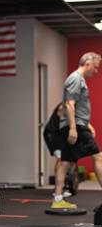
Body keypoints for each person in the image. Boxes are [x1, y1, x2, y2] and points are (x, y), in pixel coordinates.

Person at [52, 52, 102, 210]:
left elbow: (76, 106)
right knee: (98, 157)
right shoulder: (76, 78)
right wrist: (74, 128)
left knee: (65, 161)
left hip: (77, 124)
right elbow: (69, 104)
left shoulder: (77, 79)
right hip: (75, 126)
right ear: (87, 64)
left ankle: (58, 199)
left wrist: (87, 124)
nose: (96, 71)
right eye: (95, 68)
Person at [43, 103, 74, 198]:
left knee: (68, 161)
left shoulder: (71, 107)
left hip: (60, 136)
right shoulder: (63, 107)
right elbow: (64, 121)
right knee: (61, 160)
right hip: (53, 136)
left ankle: (63, 187)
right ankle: (58, 189)